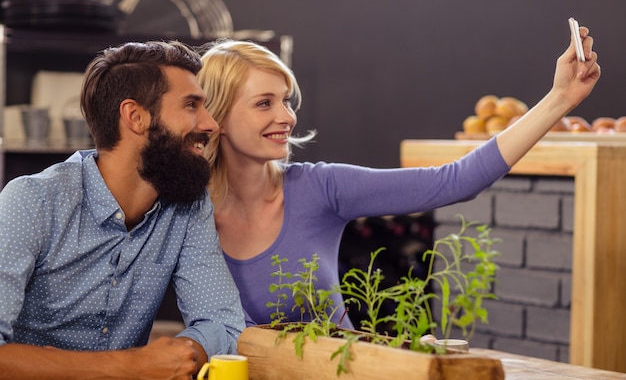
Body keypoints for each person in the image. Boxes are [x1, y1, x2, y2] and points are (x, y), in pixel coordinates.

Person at [196, 27, 600, 330]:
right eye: (264, 103)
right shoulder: (186, 220)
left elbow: (455, 181)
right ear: (216, 118)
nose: (286, 117)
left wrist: (560, 99)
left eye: (285, 100)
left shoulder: (319, 189)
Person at [0, 41, 245, 380]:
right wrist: (129, 367)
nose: (211, 124)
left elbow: (222, 323)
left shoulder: (188, 205)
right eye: (191, 105)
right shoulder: (32, 201)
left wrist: (180, 354)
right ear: (136, 116)